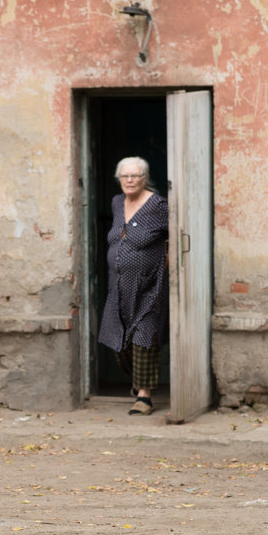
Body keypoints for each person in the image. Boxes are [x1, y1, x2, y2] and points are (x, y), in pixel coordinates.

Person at [98, 157, 169, 415]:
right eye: (124, 176)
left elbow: (178, 233)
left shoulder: (158, 205)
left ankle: (144, 397)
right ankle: (138, 381)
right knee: (117, 338)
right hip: (118, 287)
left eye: (135, 175)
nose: (129, 180)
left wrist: (166, 262)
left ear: (144, 178)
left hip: (149, 285)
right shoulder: (117, 203)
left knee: (144, 336)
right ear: (119, 179)